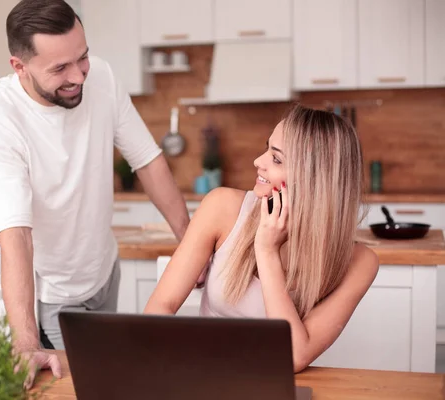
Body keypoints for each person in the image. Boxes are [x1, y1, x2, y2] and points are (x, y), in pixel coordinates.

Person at [0, 0, 190, 386]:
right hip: (54, 293)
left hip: (105, 272)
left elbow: (148, 161)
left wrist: (190, 243)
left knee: (110, 380)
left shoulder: (101, 75)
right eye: (60, 68)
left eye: (82, 57)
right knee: (88, 386)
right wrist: (24, 342)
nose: (79, 76)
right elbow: (15, 234)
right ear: (19, 67)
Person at [144, 104, 380, 373]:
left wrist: (267, 251)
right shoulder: (221, 207)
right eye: (267, 148)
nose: (258, 161)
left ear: (314, 179)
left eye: (276, 159)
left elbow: (294, 357)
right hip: (204, 375)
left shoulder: (359, 262)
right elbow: (161, 306)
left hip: (274, 383)